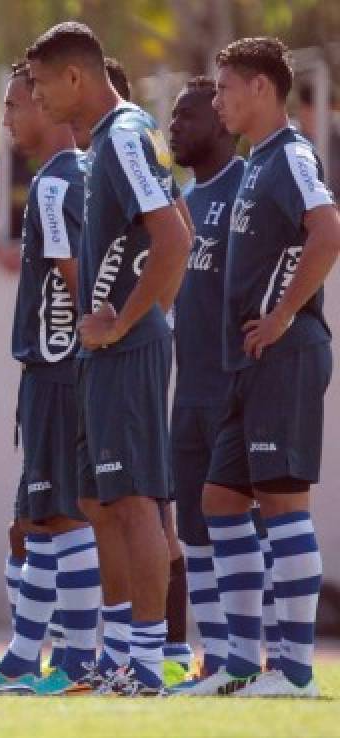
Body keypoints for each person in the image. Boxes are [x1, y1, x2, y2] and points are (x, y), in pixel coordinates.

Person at [27, 22, 193, 696]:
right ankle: (123, 654)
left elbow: (174, 238)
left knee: (132, 505)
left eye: (39, 85)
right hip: (110, 350)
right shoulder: (112, 142)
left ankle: (149, 665)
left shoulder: (124, 137)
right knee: (98, 501)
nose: (35, 100)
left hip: (126, 350)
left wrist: (127, 320)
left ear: (75, 78)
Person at [183, 37, 338, 699]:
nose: (217, 101)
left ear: (260, 89)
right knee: (220, 499)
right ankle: (241, 666)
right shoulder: (254, 162)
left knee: (281, 503)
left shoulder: (294, 155)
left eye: (223, 89)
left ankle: (296, 674)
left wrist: (279, 317)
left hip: (286, 353)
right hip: (247, 364)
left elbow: (328, 229)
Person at [0, 62, 101, 697]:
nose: (7, 118)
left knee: (65, 514)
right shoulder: (65, 178)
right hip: (52, 368)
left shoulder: (55, 186)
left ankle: (78, 662)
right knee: (39, 517)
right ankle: (26, 659)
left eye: (17, 103)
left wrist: (84, 352)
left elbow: (76, 277)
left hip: (60, 367)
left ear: (48, 105)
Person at [166, 76, 254, 685]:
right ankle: (218, 657)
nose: (173, 129)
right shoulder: (182, 202)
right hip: (186, 387)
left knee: (245, 522)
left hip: (236, 382)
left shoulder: (248, 183)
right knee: (194, 528)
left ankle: (266, 652)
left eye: (186, 117)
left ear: (222, 122)